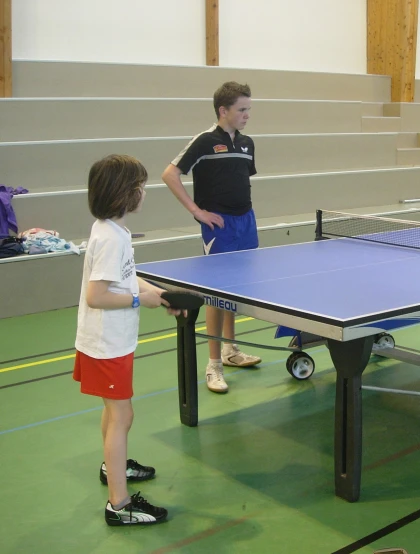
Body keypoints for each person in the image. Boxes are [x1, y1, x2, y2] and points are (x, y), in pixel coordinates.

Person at [74, 154, 182, 526]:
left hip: (111, 341)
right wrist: (140, 300)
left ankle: (112, 467)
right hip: (107, 344)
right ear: (124, 194)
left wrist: (158, 294)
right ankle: (119, 505)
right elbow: (97, 295)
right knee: (123, 415)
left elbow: (127, 276)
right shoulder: (110, 239)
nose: (144, 192)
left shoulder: (111, 230)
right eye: (140, 186)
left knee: (114, 411)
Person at [162, 81, 262, 394]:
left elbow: (240, 182)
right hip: (219, 226)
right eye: (241, 109)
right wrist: (197, 211)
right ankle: (213, 364)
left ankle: (231, 350)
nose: (247, 114)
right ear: (224, 110)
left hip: (246, 221)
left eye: (248, 108)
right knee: (216, 293)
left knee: (235, 291)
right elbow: (169, 174)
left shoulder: (247, 143)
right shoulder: (205, 141)